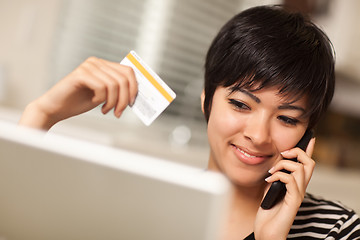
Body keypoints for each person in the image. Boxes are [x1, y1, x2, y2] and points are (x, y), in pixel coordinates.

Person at [19, 5, 360, 240]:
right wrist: (41, 114)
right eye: (241, 104)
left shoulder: (340, 230)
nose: (257, 135)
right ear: (206, 99)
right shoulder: (147, 208)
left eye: (286, 118)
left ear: (307, 133)